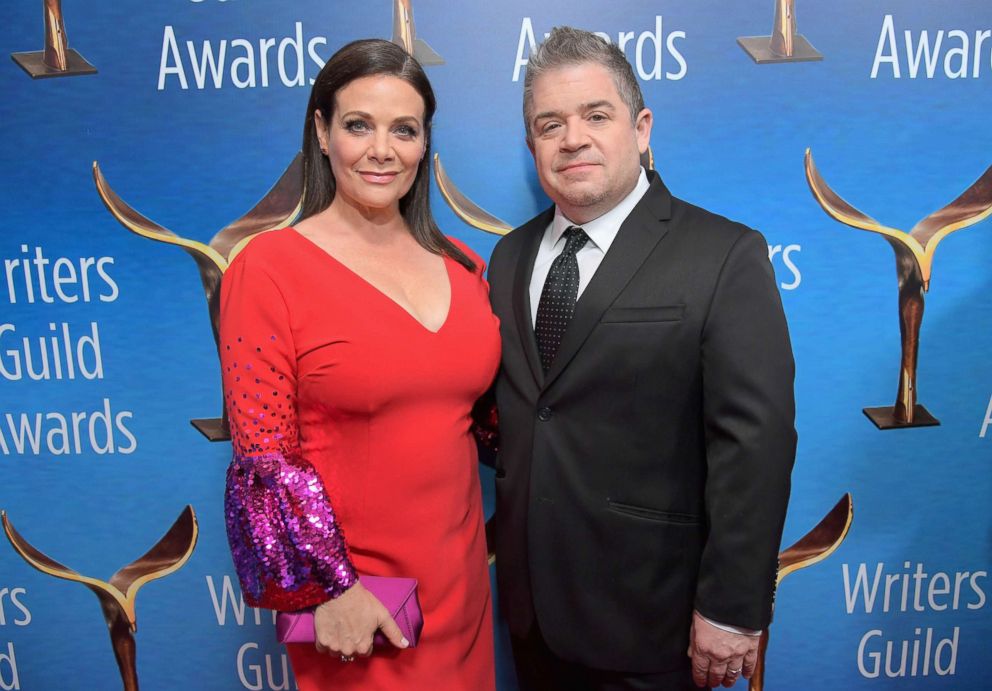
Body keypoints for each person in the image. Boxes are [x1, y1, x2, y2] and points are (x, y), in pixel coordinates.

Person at [485, 27, 796, 690]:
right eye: (550, 123)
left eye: (596, 115)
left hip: (656, 626)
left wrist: (733, 608)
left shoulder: (723, 255)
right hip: (531, 619)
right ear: (533, 144)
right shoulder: (507, 258)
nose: (573, 137)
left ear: (642, 126)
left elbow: (756, 442)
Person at [219, 39, 499, 690]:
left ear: (425, 142)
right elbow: (264, 459)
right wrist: (329, 592)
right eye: (357, 125)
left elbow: (492, 425)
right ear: (321, 131)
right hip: (360, 602)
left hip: (464, 590)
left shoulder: (464, 265)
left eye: (404, 129)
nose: (382, 149)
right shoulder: (267, 269)